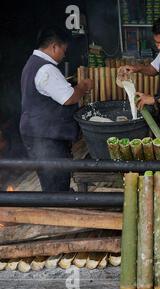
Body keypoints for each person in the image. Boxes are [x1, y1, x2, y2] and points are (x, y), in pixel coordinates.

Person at [20, 26, 93, 192]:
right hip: (45, 136)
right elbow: (68, 98)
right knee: (55, 180)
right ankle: (58, 209)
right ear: (54, 46)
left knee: (53, 178)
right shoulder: (46, 69)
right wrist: (82, 87)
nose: (64, 55)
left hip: (39, 132)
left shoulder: (32, 63)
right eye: (63, 50)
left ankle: (58, 202)